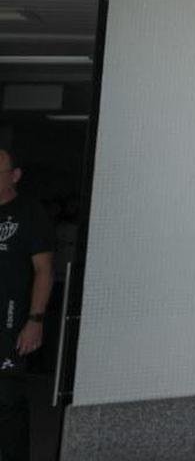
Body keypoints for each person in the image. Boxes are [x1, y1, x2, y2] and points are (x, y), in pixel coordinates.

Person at [0, 148, 54, 461]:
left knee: (7, 399)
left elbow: (44, 270)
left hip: (11, 319)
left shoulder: (30, 213)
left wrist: (35, 320)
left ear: (15, 176)